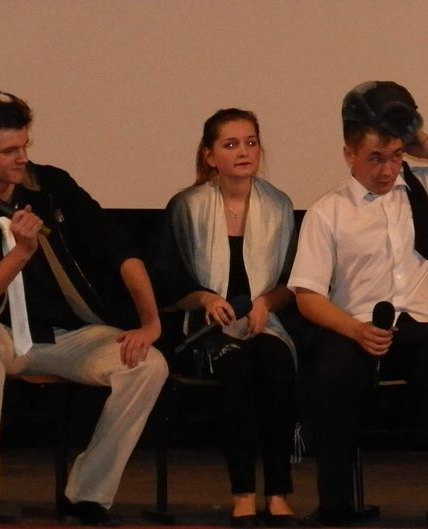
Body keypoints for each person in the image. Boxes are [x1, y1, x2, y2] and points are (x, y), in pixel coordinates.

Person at [0, 90, 169, 529]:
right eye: (9, 150)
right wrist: (20, 252)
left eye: (25, 145)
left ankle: (87, 495)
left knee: (149, 365)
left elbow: (120, 249)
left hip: (71, 335)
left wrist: (151, 323)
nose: (22, 157)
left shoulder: (52, 186)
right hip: (0, 337)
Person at [288, 81, 428, 528]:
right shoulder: (328, 211)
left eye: (395, 156)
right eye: (375, 158)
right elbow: (308, 296)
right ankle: (336, 506)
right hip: (356, 325)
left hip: (425, 323)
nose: (388, 169)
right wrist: (356, 331)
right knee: (330, 374)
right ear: (349, 154)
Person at [150, 109, 298, 528]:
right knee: (237, 368)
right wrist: (205, 297)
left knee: (276, 363)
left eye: (250, 142)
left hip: (263, 323)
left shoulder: (279, 205)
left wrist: (266, 304)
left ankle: (278, 494)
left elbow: (294, 281)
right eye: (231, 144)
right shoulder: (187, 206)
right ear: (210, 155)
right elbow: (165, 280)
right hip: (204, 331)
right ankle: (243, 495)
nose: (244, 151)